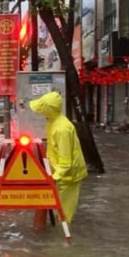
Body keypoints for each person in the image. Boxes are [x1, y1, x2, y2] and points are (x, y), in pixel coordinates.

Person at [28, 91, 87, 224]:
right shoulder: (53, 123)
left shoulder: (62, 129)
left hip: (69, 176)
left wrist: (54, 178)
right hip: (61, 174)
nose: (40, 112)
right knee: (57, 210)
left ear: (48, 110)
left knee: (63, 215)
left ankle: (61, 238)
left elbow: (66, 162)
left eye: (42, 109)